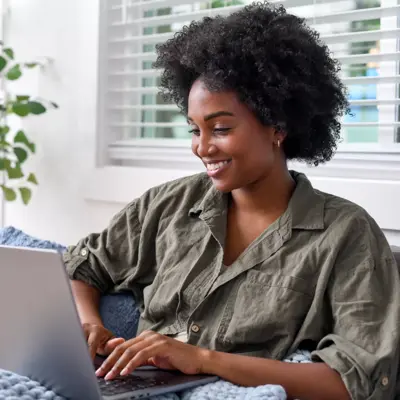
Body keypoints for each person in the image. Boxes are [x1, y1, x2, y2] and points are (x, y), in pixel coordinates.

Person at [64, 2, 400, 399]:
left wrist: (203, 359)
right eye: (194, 130)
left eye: (220, 128)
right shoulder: (168, 204)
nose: (202, 148)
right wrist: (88, 324)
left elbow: (356, 382)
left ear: (278, 126)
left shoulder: (345, 234)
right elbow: (83, 266)